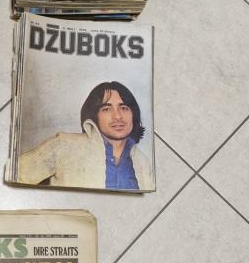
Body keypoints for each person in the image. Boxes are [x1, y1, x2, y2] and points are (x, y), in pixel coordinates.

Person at [17, 81, 154, 191]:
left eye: (124, 108)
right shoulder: (65, 145)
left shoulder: (142, 162)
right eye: (106, 109)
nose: (117, 116)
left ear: (133, 114)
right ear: (94, 116)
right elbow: (17, 174)